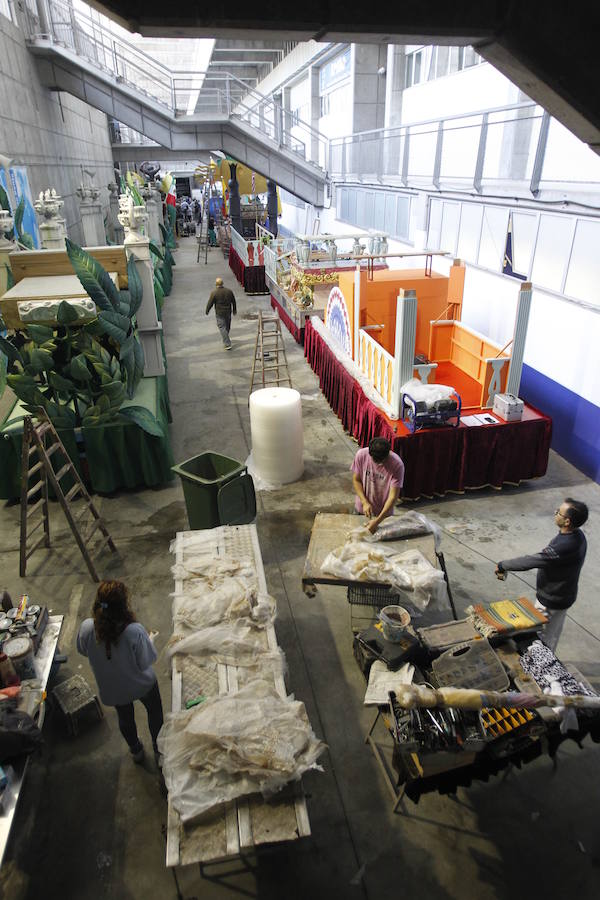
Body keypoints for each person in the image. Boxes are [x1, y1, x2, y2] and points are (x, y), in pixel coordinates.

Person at [77, 580, 163, 765]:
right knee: (154, 712)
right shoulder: (134, 632)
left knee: (125, 717)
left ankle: (136, 751)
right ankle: (158, 749)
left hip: (112, 689)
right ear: (124, 606)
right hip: (141, 685)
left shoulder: (87, 628)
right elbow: (145, 662)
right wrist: (150, 640)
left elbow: (83, 650)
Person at [495, 498, 588, 652]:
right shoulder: (578, 536)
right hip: (564, 595)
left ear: (567, 521)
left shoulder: (563, 547)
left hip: (552, 600)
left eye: (558, 512)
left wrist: (503, 565)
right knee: (552, 633)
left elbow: (532, 561)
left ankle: (540, 667)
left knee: (540, 637)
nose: (555, 513)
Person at [351, 437, 405, 534]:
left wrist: (378, 521)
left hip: (384, 514)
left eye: (382, 460)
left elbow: (393, 497)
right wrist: (364, 502)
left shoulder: (397, 465)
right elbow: (356, 480)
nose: (380, 463)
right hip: (361, 509)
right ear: (369, 453)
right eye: (376, 460)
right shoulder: (361, 455)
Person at [206, 276, 237, 350]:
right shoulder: (229, 291)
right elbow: (233, 301)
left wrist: (207, 310)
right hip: (228, 312)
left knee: (222, 327)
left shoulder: (214, 293)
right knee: (227, 326)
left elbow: (210, 303)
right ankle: (226, 337)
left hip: (219, 313)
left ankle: (227, 344)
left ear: (216, 284)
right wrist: (234, 310)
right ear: (222, 283)